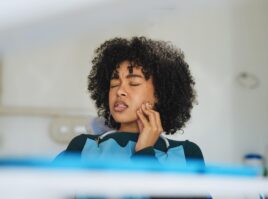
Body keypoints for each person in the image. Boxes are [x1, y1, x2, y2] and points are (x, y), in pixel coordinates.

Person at [57, 36, 206, 199]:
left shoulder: (185, 153)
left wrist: (144, 151)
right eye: (114, 84)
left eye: (133, 83)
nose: (119, 91)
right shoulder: (82, 146)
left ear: (160, 94)